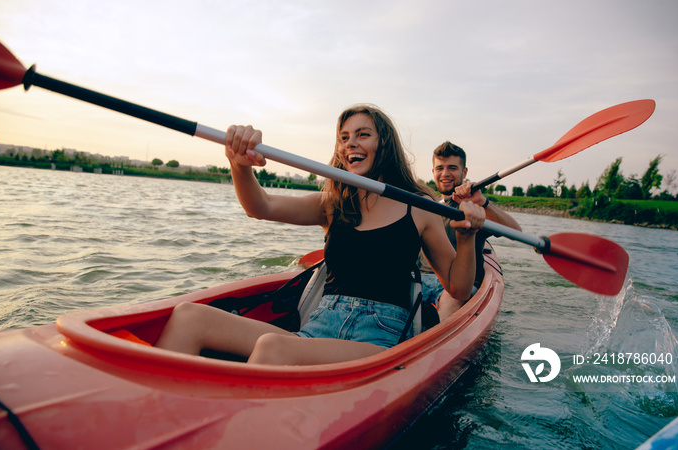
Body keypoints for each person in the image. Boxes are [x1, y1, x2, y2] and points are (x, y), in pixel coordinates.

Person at [155, 105, 485, 366]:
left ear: (383, 143)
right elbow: (262, 205)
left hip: (377, 342)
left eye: (363, 134)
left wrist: (467, 237)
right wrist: (238, 164)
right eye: (343, 137)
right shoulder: (332, 204)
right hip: (317, 327)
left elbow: (457, 287)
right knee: (188, 317)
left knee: (274, 348)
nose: (350, 143)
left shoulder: (419, 205)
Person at [419, 141, 521, 321]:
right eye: (440, 168)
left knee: (453, 299)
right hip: (420, 279)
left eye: (452, 168)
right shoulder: (426, 205)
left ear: (464, 172)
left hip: (457, 287)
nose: (445, 174)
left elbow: (516, 232)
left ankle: (440, 342)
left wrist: (484, 203)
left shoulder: (474, 208)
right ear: (433, 172)